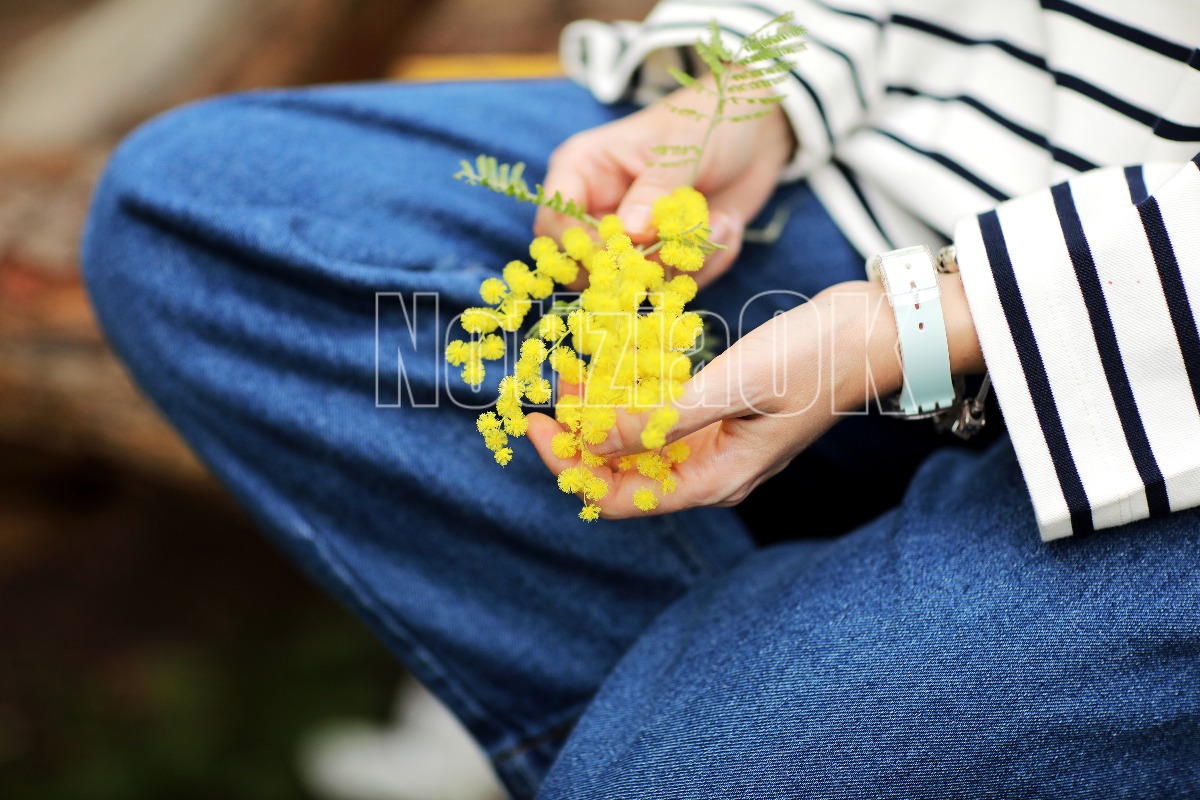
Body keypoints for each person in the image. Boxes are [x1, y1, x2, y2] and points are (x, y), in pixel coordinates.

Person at [82, 1, 1200, 797]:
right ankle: (712, 692)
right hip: (912, 178)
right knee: (198, 219)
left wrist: (924, 326)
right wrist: (757, 91)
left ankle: (690, 716)